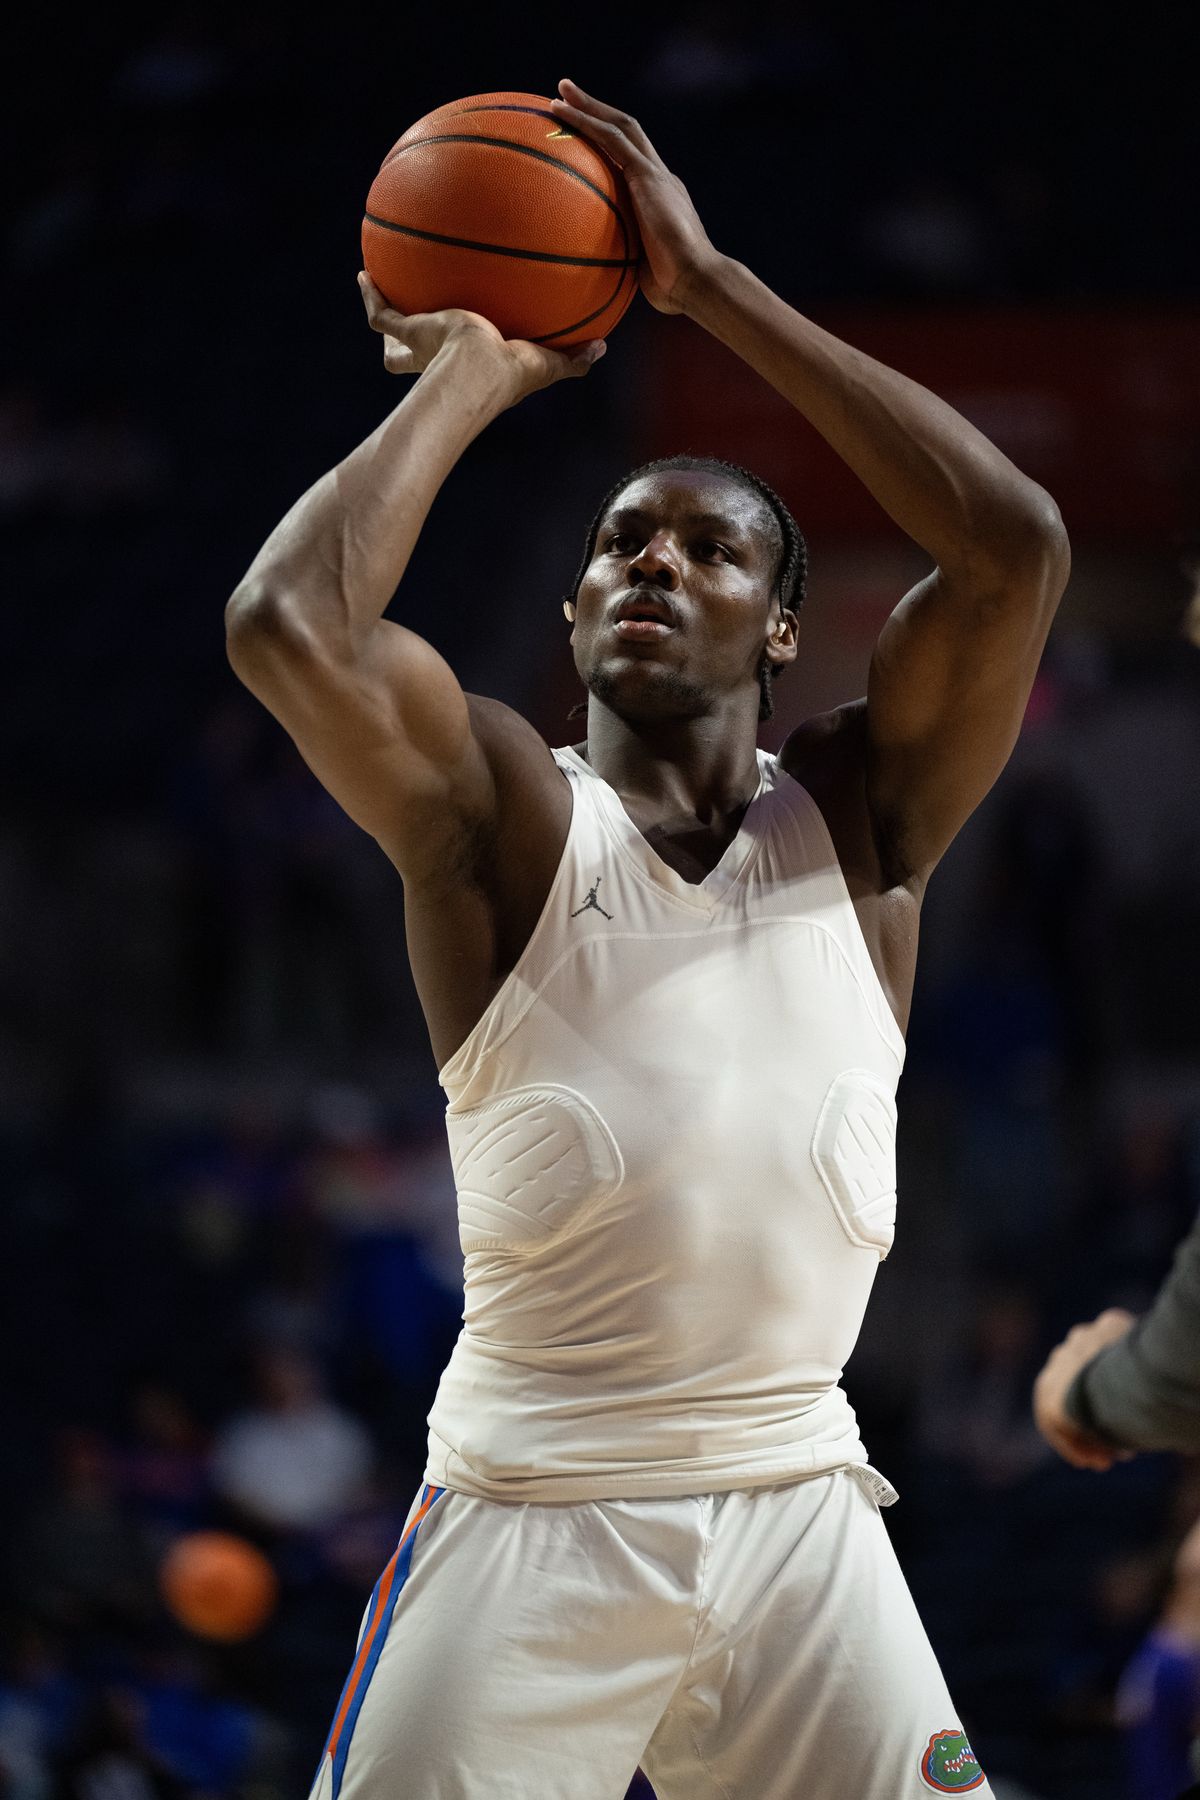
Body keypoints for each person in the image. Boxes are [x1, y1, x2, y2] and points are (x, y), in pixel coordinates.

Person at [226, 76, 1068, 1800]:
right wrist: (475, 369)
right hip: (530, 1515)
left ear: (782, 627)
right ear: (572, 613)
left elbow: (1013, 549)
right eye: (619, 544)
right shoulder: (505, 820)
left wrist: (712, 291)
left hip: (801, 1512)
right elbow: (288, 624)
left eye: (708, 547)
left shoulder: (866, 826)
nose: (653, 567)